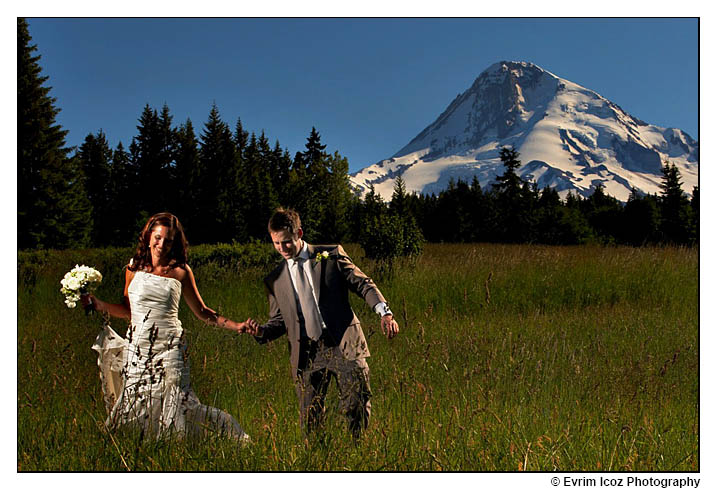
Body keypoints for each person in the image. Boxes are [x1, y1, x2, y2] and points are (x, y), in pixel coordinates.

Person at [83, 212, 251, 442]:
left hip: (170, 347)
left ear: (175, 243)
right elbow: (127, 310)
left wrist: (237, 325)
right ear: (148, 236)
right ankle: (144, 445)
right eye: (158, 237)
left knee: (177, 401)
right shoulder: (133, 269)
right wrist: (99, 304)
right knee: (136, 399)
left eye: (169, 240)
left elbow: (203, 312)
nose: (162, 244)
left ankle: (182, 445)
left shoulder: (181, 271)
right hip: (138, 348)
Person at [247, 208, 399, 438]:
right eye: (276, 243)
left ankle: (358, 453)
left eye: (287, 242)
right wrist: (261, 331)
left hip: (344, 342)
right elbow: (279, 320)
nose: (282, 249)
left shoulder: (327, 255)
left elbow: (362, 284)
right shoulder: (274, 279)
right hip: (307, 351)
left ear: (299, 232)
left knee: (356, 403)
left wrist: (384, 312)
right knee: (310, 417)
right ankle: (317, 462)